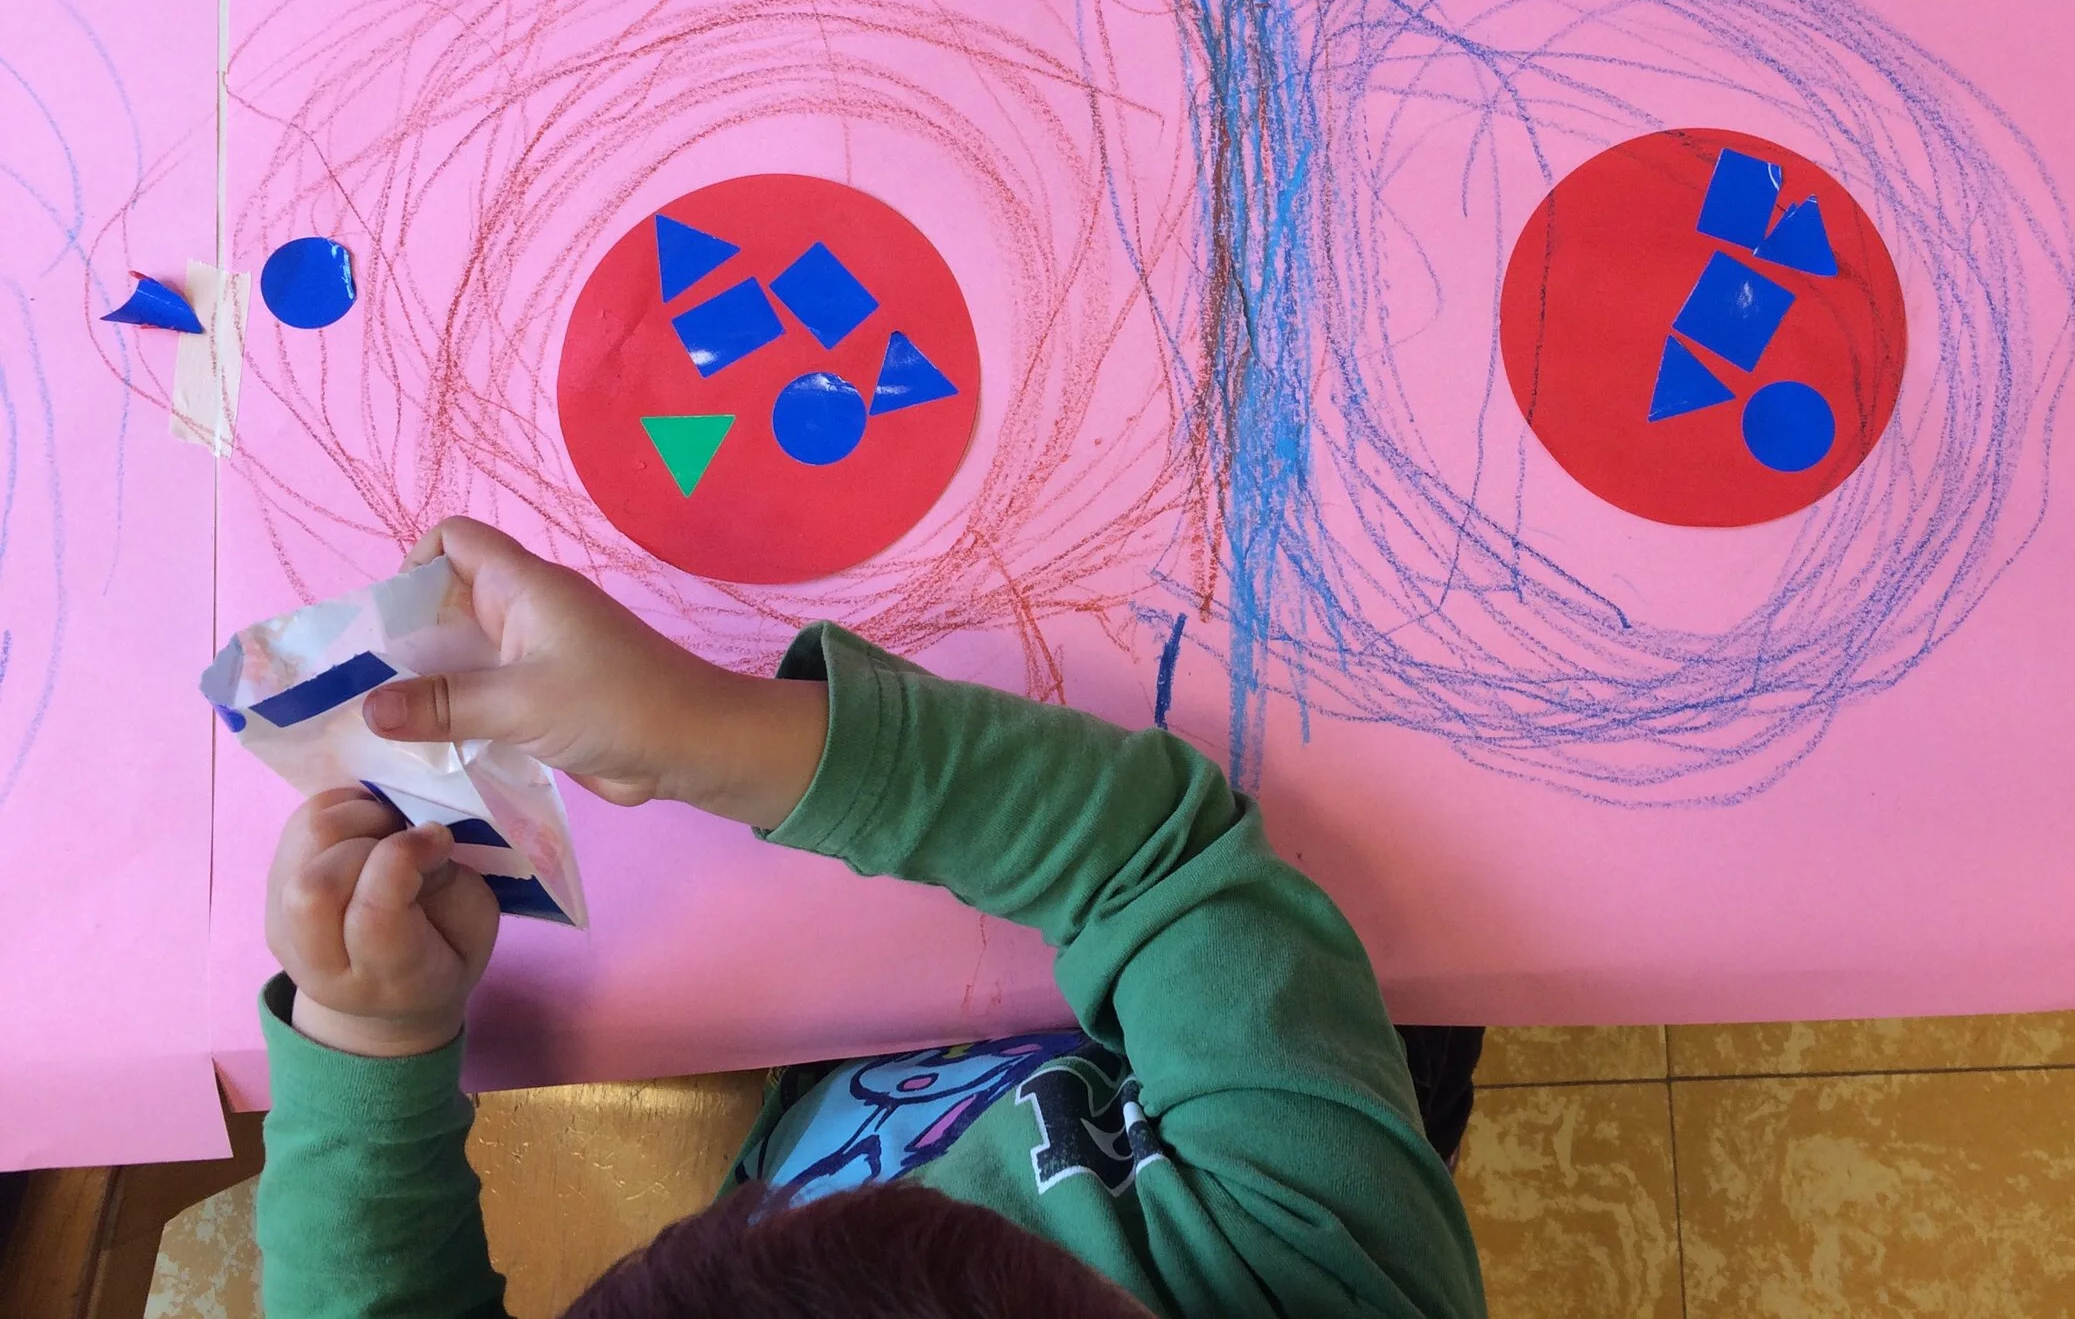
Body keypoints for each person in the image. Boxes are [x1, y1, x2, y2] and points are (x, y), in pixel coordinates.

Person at [255, 517, 1489, 1318]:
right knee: (1389, 975)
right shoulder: (1324, 1270)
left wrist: (370, 1037)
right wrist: (712, 730)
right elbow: (1155, 863)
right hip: (1265, 1093)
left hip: (868, 1065)